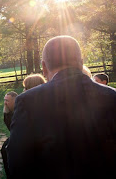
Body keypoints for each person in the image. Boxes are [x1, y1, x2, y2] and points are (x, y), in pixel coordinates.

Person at [6, 35, 116, 179]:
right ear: (81, 62)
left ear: (44, 67)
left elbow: (18, 163)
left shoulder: (28, 101)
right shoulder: (111, 96)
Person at [0, 91, 18, 177]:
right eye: (4, 100)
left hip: (20, 136)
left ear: (14, 101)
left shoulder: (18, 112)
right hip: (14, 135)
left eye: (7, 101)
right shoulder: (7, 112)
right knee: (4, 149)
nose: (5, 103)